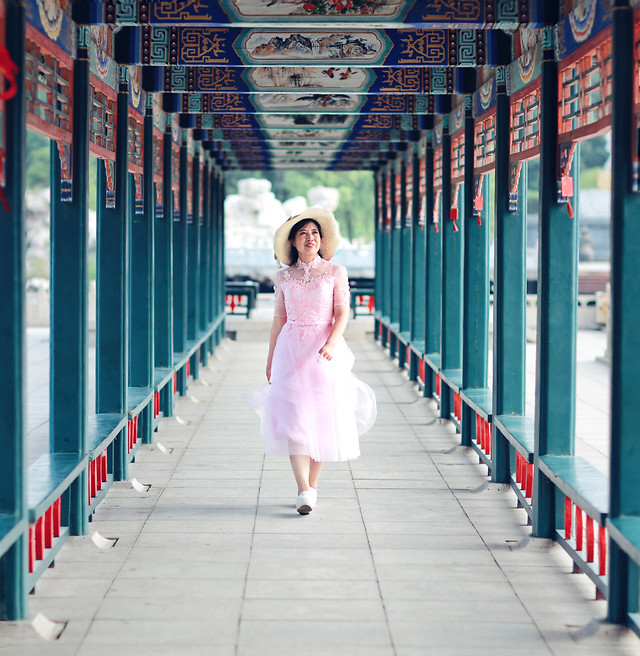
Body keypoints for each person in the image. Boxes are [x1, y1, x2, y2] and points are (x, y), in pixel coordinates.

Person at [247, 208, 377, 515]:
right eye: (303, 233)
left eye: (315, 233)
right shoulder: (283, 276)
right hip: (291, 352)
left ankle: (311, 487)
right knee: (296, 420)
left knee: (322, 419)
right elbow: (278, 320)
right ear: (293, 240)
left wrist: (332, 341)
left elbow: (343, 312)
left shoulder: (335, 272)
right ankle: (304, 489)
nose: (310, 238)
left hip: (324, 351)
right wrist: (270, 360)